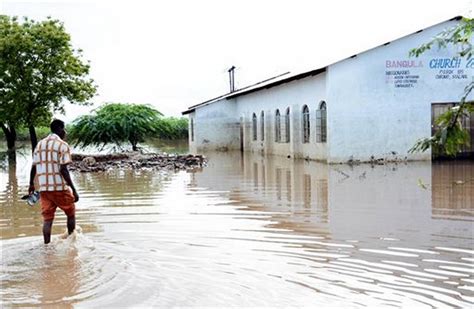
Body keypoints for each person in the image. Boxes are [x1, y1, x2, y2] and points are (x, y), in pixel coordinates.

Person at [28, 119, 79, 244]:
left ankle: (47, 246)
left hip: (44, 188)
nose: (65, 132)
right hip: (59, 187)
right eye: (64, 129)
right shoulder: (62, 145)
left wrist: (31, 184)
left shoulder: (39, 145)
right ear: (60, 129)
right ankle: (72, 242)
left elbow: (34, 166)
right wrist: (74, 189)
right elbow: (63, 169)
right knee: (70, 212)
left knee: (47, 219)